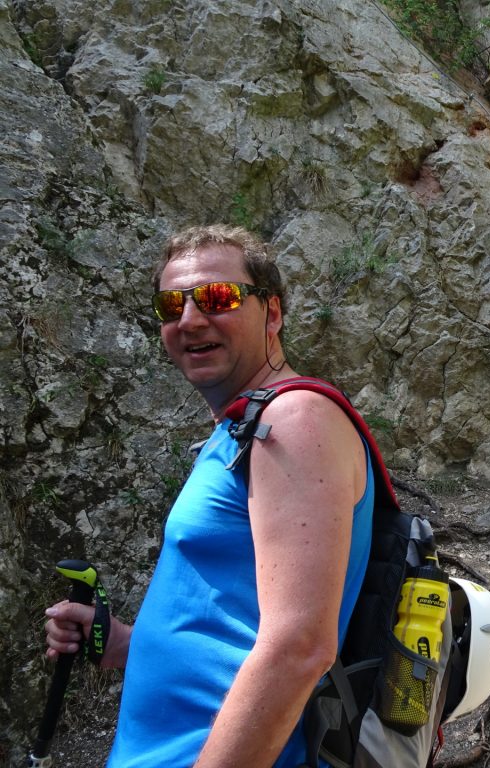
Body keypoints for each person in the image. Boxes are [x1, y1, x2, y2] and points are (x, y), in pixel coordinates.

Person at [44, 224, 374, 767]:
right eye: (172, 305)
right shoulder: (241, 429)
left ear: (272, 313)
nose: (191, 319)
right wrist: (126, 642)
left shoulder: (293, 420)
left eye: (218, 298)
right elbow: (231, 624)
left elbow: (299, 647)